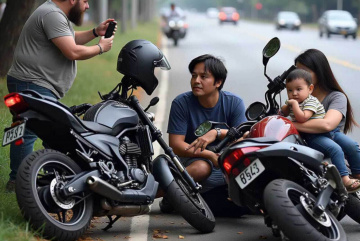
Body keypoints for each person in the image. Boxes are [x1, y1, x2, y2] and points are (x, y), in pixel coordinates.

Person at [5, 0, 116, 192]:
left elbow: (69, 38)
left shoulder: (53, 13)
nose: (87, 6)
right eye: (85, 1)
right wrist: (100, 48)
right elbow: (72, 51)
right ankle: (19, 183)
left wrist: (94, 32)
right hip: (33, 83)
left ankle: (21, 179)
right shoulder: (52, 14)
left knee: (23, 130)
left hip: (31, 82)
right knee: (30, 132)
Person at [165, 54, 249, 217]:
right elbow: (176, 145)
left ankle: (185, 198)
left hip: (225, 161)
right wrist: (209, 155)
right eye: (194, 76)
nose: (196, 81)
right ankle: (168, 195)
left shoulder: (234, 103)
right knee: (202, 168)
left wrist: (217, 133)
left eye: (204, 77)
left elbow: (242, 138)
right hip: (191, 159)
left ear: (218, 82)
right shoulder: (181, 103)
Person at [293, 49, 360, 192]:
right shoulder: (297, 96)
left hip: (331, 135)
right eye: (297, 72)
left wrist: (293, 124)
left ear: (320, 71)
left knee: (353, 146)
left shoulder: (336, 97)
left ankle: (355, 177)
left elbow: (327, 124)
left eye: (305, 72)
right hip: (309, 141)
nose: (300, 77)